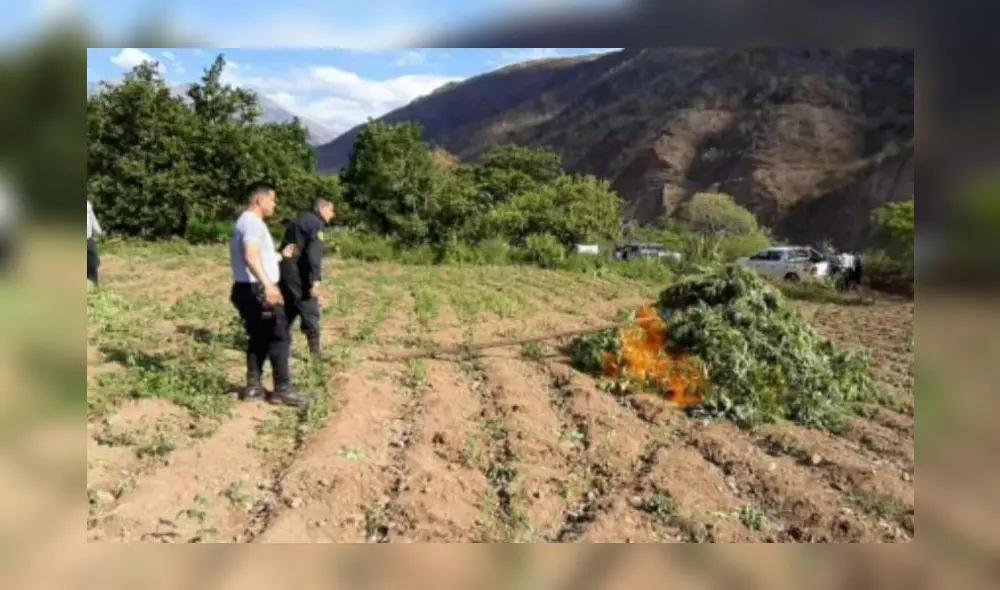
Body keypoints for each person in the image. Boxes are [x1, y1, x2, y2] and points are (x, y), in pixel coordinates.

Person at [228, 182, 311, 407]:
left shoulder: (244, 221)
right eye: (272, 200)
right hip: (257, 289)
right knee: (279, 336)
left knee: (259, 336)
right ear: (259, 200)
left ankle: (253, 387)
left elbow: (258, 257)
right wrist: (269, 286)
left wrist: (280, 255)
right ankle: (282, 390)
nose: (275, 204)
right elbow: (250, 255)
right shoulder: (253, 223)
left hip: (245, 287)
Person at [277, 198, 336, 358]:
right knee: (308, 307)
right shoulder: (316, 224)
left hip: (284, 269)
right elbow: (314, 254)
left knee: (289, 308)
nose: (333, 215)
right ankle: (315, 354)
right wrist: (315, 281)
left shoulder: (301, 219)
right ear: (321, 209)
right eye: (331, 210)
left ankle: (274, 343)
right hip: (297, 272)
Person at [87, 200, 103, 285]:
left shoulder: (87, 204)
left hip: (88, 239)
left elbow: (92, 219)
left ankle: (94, 283)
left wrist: (99, 231)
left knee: (93, 262)